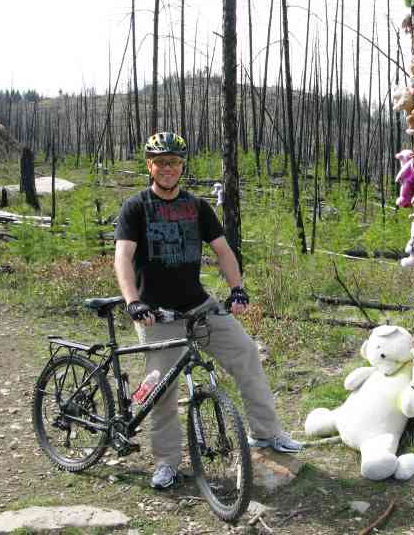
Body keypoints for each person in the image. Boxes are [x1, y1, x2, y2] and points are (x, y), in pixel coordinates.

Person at [114, 131, 302, 490]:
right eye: (161, 162)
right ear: (150, 166)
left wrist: (237, 289)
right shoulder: (135, 207)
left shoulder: (197, 207)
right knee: (161, 390)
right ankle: (167, 462)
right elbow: (122, 257)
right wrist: (132, 301)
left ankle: (266, 434)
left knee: (246, 354)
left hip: (198, 306)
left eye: (174, 162)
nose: (168, 168)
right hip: (156, 314)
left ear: (182, 166)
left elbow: (223, 251)